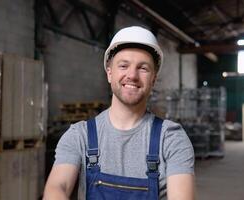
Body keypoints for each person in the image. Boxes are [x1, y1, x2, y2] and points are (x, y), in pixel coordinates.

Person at [43, 26, 195, 200]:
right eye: (123, 65)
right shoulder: (79, 135)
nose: (132, 75)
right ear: (109, 73)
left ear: (153, 79)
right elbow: (57, 187)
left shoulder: (171, 138)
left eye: (143, 68)